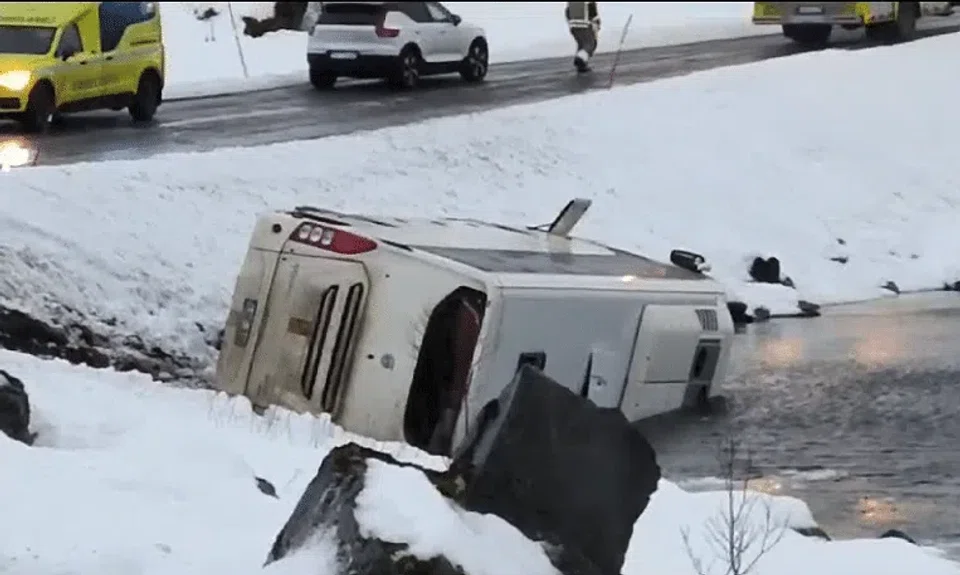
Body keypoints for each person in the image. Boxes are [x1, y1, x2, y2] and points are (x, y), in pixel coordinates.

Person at [565, 1, 601, 73]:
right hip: (585, 25)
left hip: (573, 26)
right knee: (590, 44)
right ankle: (580, 59)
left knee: (581, 45)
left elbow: (567, 11)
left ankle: (581, 66)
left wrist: (571, 22)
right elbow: (592, 11)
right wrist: (597, 22)